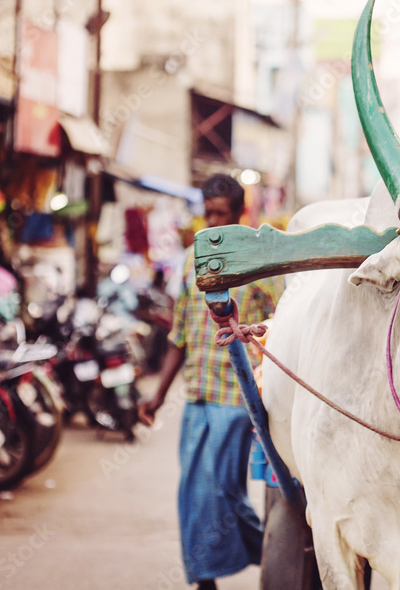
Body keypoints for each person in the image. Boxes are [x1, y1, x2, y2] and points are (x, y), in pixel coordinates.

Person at [139, 174, 280, 590]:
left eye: (221, 213)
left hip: (236, 396)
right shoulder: (190, 259)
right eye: (209, 212)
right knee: (195, 492)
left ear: (238, 213)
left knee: (219, 490)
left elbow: (278, 324)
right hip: (197, 394)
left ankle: (270, 550)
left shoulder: (260, 258)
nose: (213, 221)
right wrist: (158, 395)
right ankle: (210, 577)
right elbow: (177, 335)